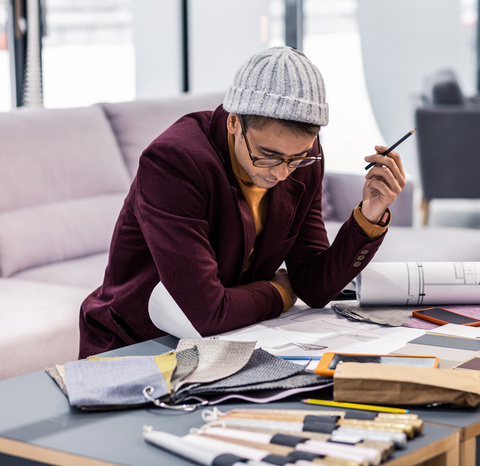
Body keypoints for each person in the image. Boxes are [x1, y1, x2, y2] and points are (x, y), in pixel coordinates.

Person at [78, 46, 406, 358]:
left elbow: (314, 287)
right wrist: (280, 293)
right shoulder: (175, 162)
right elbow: (205, 312)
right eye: (267, 155)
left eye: (296, 158)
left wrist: (369, 214)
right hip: (138, 345)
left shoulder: (305, 163)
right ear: (234, 121)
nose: (281, 173)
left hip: (231, 341)